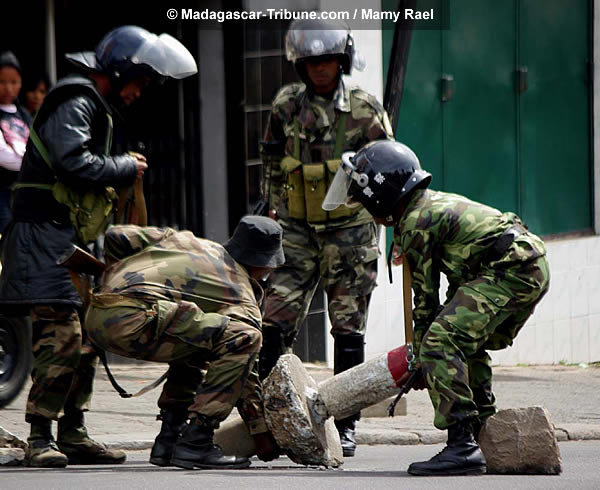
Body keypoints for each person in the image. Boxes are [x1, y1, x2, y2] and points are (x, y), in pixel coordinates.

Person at [0, 25, 197, 468]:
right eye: (139, 81)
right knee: (62, 335)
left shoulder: (91, 104)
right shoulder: (77, 99)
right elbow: (73, 162)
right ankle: (40, 435)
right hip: (42, 238)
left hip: (65, 240)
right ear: (121, 70)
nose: (138, 92)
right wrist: (123, 166)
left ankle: (73, 433)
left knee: (89, 337)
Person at [323, 140, 550, 476]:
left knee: (439, 342)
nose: (363, 207)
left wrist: (420, 357)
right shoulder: (425, 205)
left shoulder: (416, 222)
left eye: (363, 199)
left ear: (379, 196)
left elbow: (425, 300)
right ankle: (484, 433)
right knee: (462, 342)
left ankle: (462, 445)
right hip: (523, 264)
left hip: (511, 268)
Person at [258, 18, 394, 457]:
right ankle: (270, 418)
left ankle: (346, 423)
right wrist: (273, 203)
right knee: (274, 324)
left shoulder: (364, 110)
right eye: (312, 61)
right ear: (301, 65)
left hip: (349, 235)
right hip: (296, 232)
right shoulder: (286, 106)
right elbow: (270, 157)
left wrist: (389, 220)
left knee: (348, 330)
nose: (320, 68)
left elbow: (389, 165)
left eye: (328, 60)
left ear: (342, 61)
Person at [85, 216, 284, 469]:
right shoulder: (241, 294)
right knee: (245, 337)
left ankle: (169, 439)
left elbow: (117, 235)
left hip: (95, 312)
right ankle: (196, 441)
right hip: (131, 324)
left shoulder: (186, 240)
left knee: (199, 337)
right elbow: (246, 364)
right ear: (264, 265)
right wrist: (259, 430)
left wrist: (118, 276)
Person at [0, 51, 30, 234]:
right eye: (2, 82)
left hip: (23, 192)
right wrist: (29, 162)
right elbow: (3, 155)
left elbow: (35, 147)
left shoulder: (24, 114)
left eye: (14, 82)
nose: (8, 88)